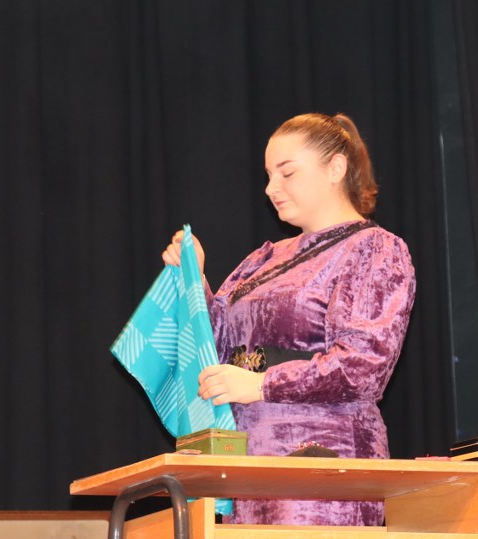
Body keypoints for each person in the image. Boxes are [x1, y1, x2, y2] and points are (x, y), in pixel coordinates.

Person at [161, 112, 416, 526]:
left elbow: (363, 366)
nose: (271, 188)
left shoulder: (373, 249)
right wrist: (195, 277)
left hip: (321, 467)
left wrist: (261, 384)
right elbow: (217, 348)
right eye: (268, 175)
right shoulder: (262, 258)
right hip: (245, 465)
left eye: (287, 172)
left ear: (336, 167)